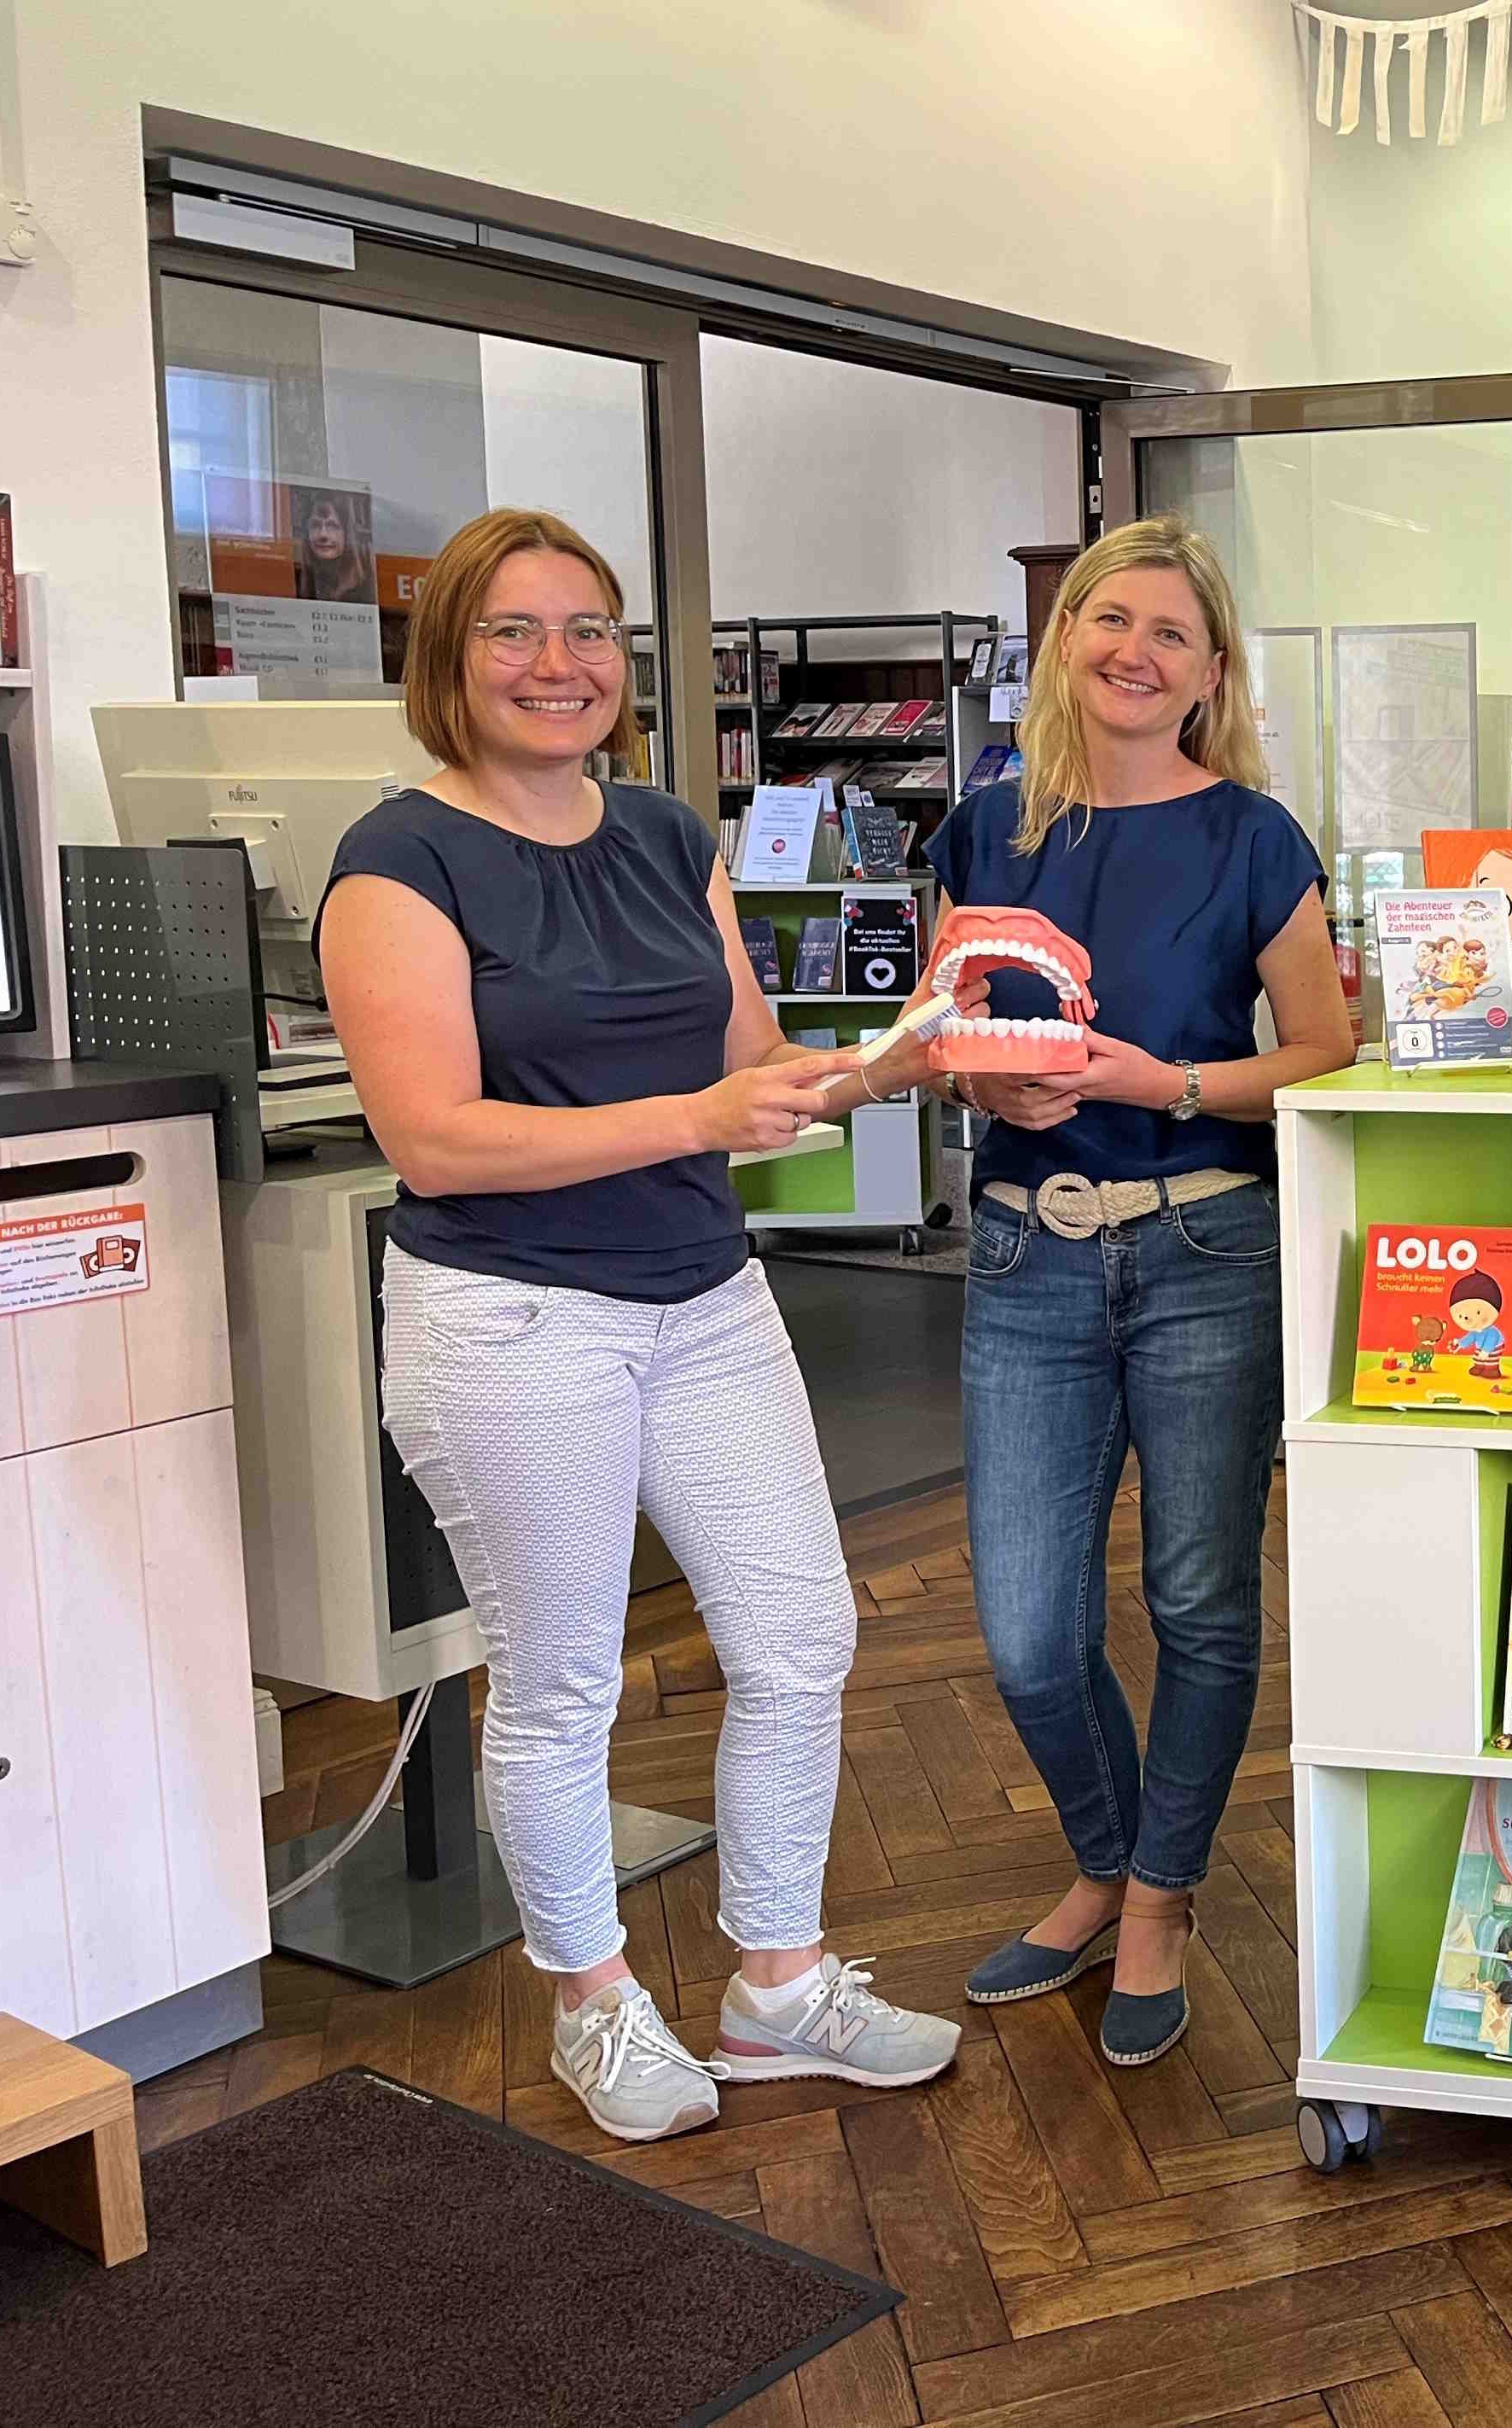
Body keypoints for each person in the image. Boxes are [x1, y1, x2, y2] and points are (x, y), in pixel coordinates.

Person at [319, 507, 959, 2144]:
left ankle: (776, 1985)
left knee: (800, 1638)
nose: (559, 664)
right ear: (447, 659)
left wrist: (897, 1063)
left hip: (704, 1295)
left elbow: (749, 1059)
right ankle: (593, 2000)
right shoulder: (398, 860)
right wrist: (698, 1116)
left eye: (589, 630)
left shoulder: (674, 832)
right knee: (559, 1681)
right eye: (513, 633)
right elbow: (436, 1139)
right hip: (513, 1320)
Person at [929, 518, 1353, 2065]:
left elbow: (1319, 1052)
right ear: (1064, 645)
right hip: (1022, 1248)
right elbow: (944, 1030)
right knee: (1029, 1631)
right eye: (1111, 621)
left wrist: (1166, 1080)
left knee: (1198, 1601)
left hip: (1205, 1247)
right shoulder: (985, 832)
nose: (1135, 652)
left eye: (1171, 633)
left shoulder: (1254, 835)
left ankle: (1159, 1890)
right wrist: (989, 1082)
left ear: (1210, 672)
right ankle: (1103, 1855)